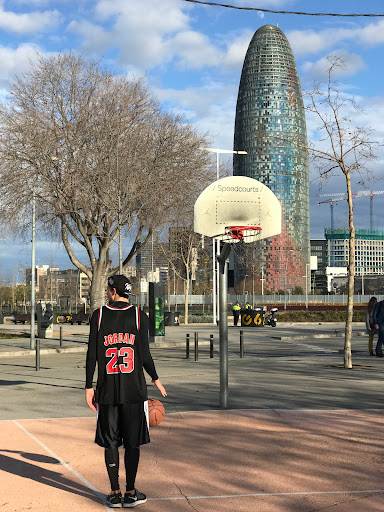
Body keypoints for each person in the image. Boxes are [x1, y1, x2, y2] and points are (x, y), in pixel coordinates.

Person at [85, 275, 167, 508]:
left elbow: (92, 355)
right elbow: (145, 356)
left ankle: (114, 493)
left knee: (111, 442)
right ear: (127, 292)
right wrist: (156, 379)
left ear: (112, 291)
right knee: (132, 443)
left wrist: (88, 386)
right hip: (134, 391)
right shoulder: (140, 316)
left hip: (107, 390)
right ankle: (130, 492)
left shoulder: (98, 316)